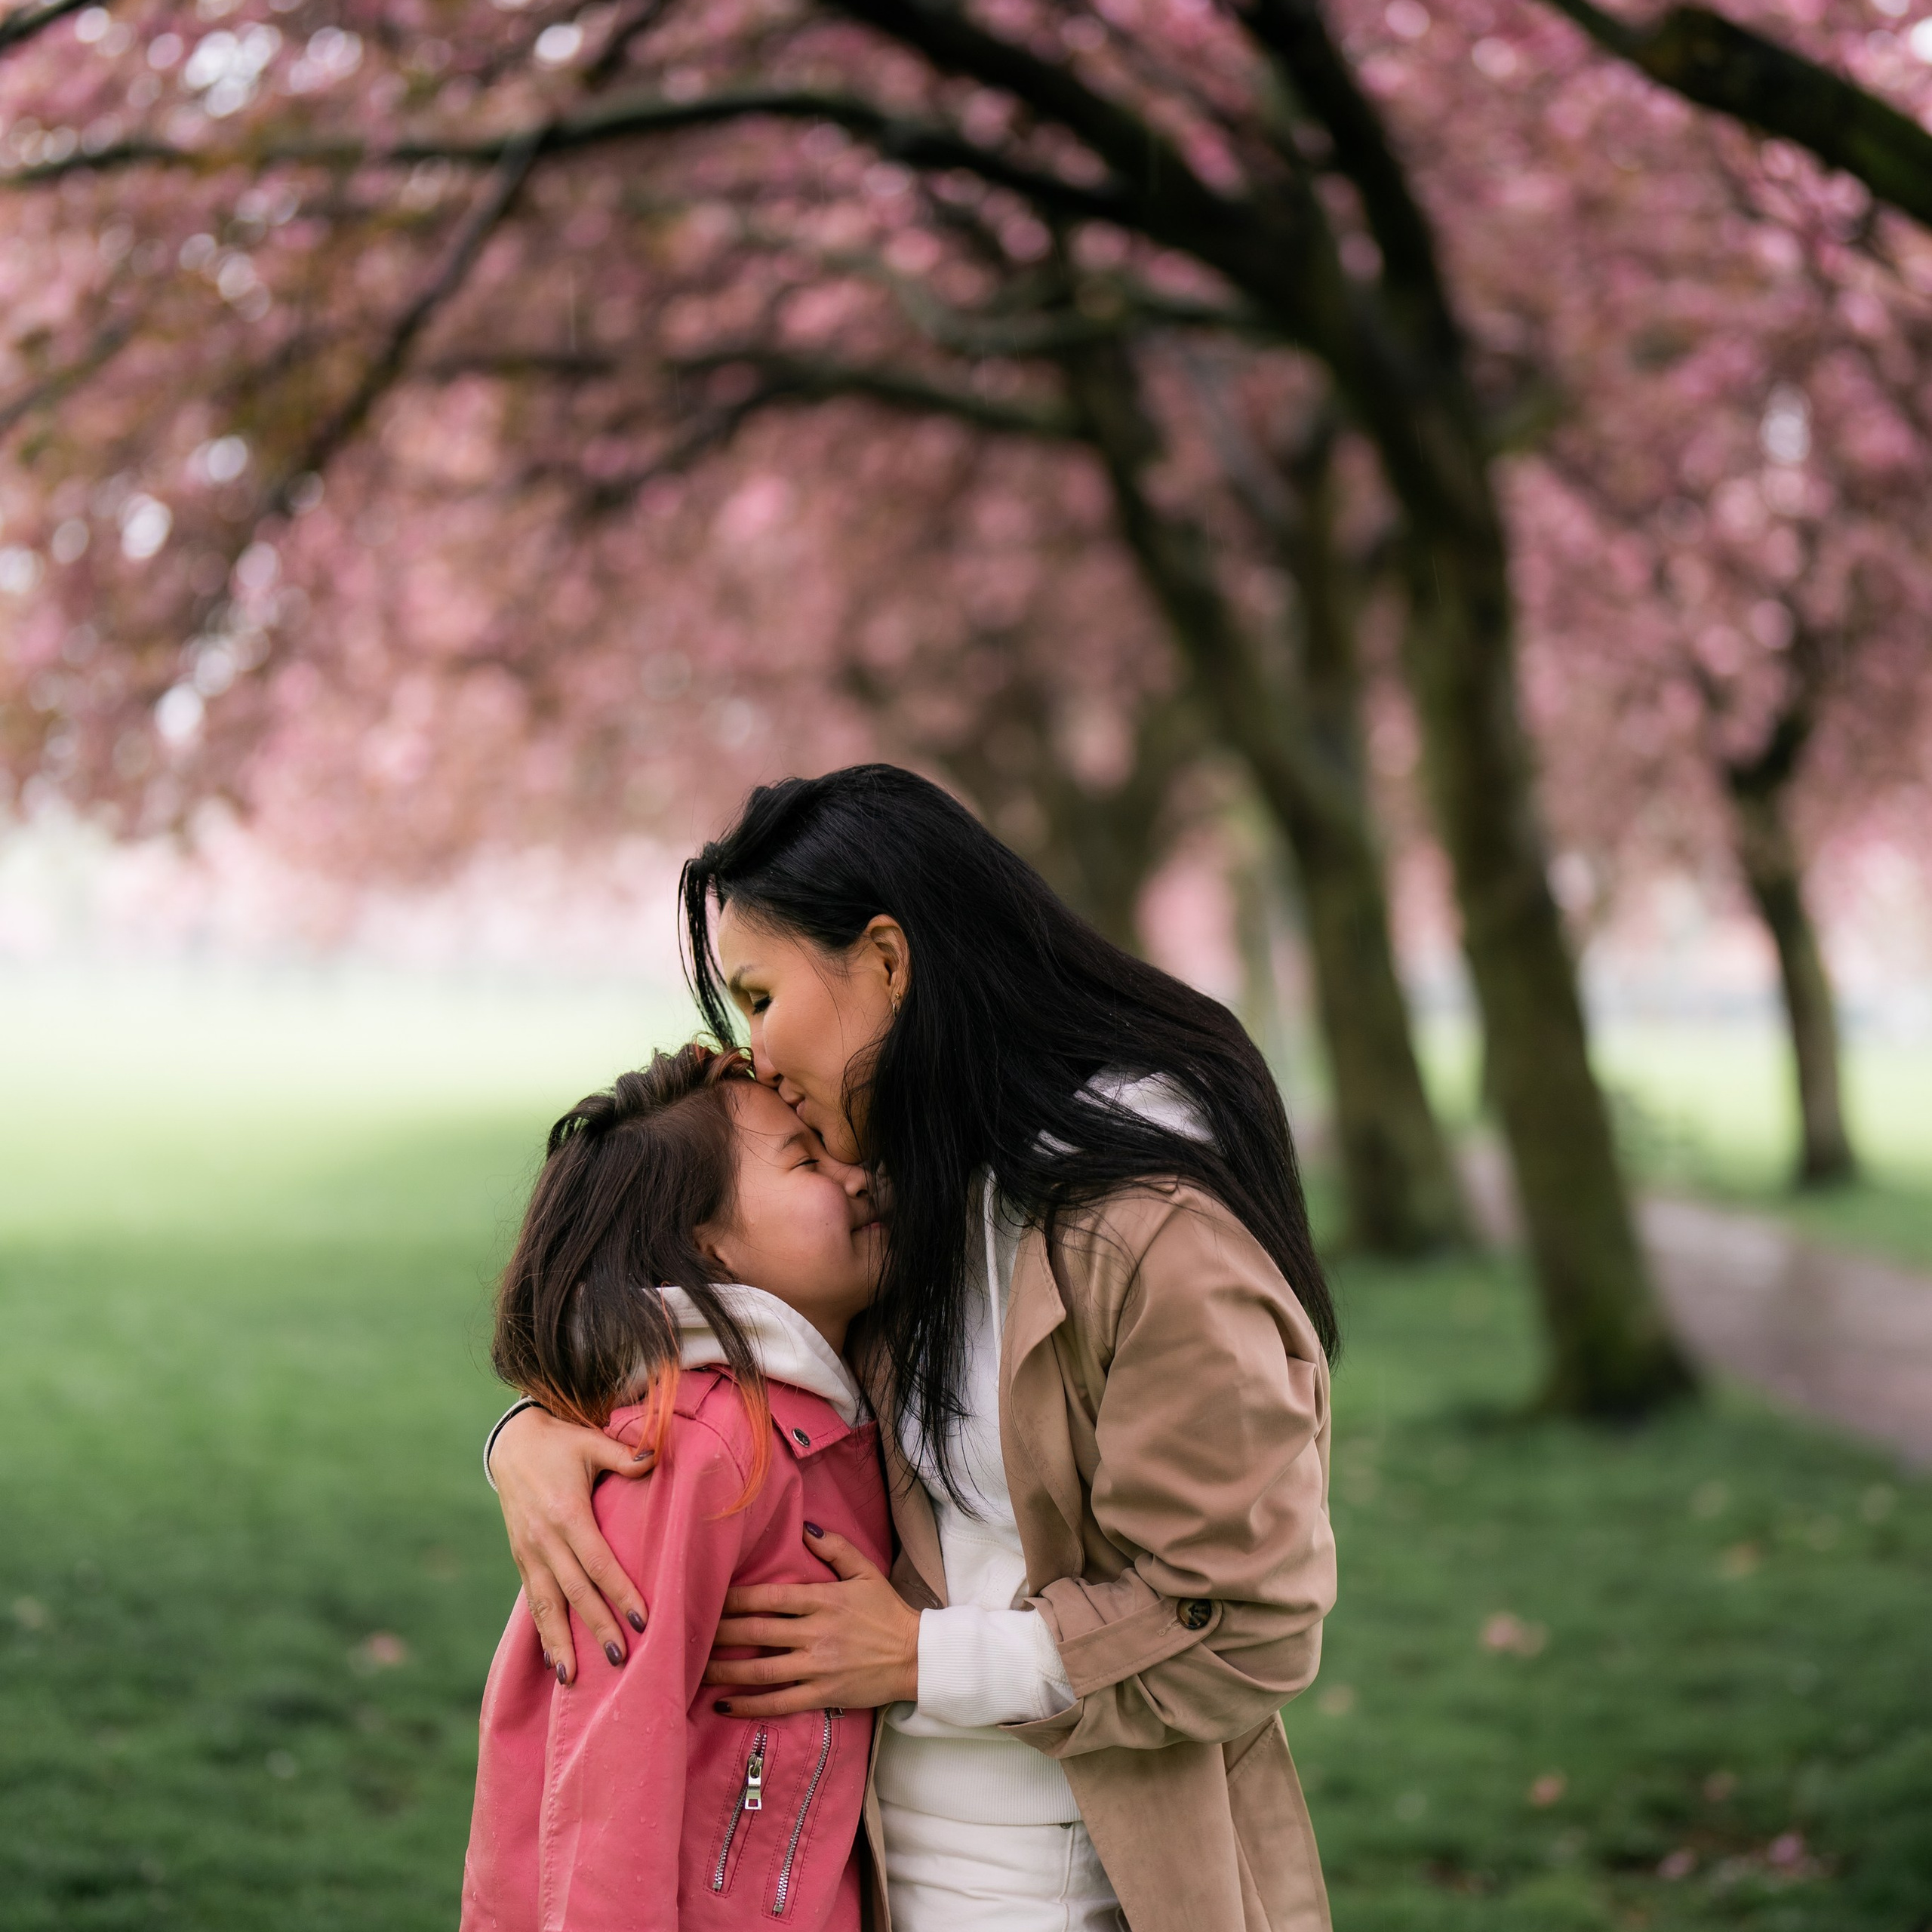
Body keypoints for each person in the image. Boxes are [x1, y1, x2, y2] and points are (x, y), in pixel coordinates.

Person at [486, 764, 1340, 1932]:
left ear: (887, 962)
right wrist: (533, 1433)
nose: (756, 1050)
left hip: (1073, 1879)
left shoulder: (1147, 1231)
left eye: (761, 994)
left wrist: (925, 1659)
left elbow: (1246, 1623)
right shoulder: (911, 1198)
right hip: (865, 1870)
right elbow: (695, 1296)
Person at [462, 1044, 895, 1931]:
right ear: (708, 1243)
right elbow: (602, 1771)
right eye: (808, 1161)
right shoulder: (696, 1449)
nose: (858, 1177)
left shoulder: (810, 1411)